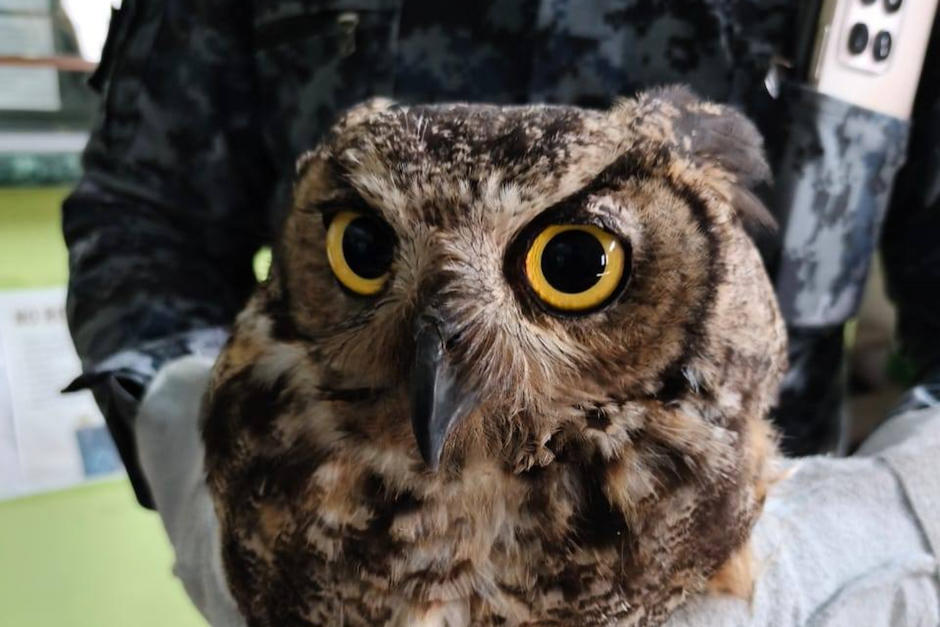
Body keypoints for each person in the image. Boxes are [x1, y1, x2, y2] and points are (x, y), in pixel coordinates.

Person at [62, 1, 940, 624]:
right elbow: (144, 222)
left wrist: (898, 505)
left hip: (732, 526)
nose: (444, 344)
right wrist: (185, 441)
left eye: (572, 266)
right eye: (363, 251)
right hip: (323, 482)